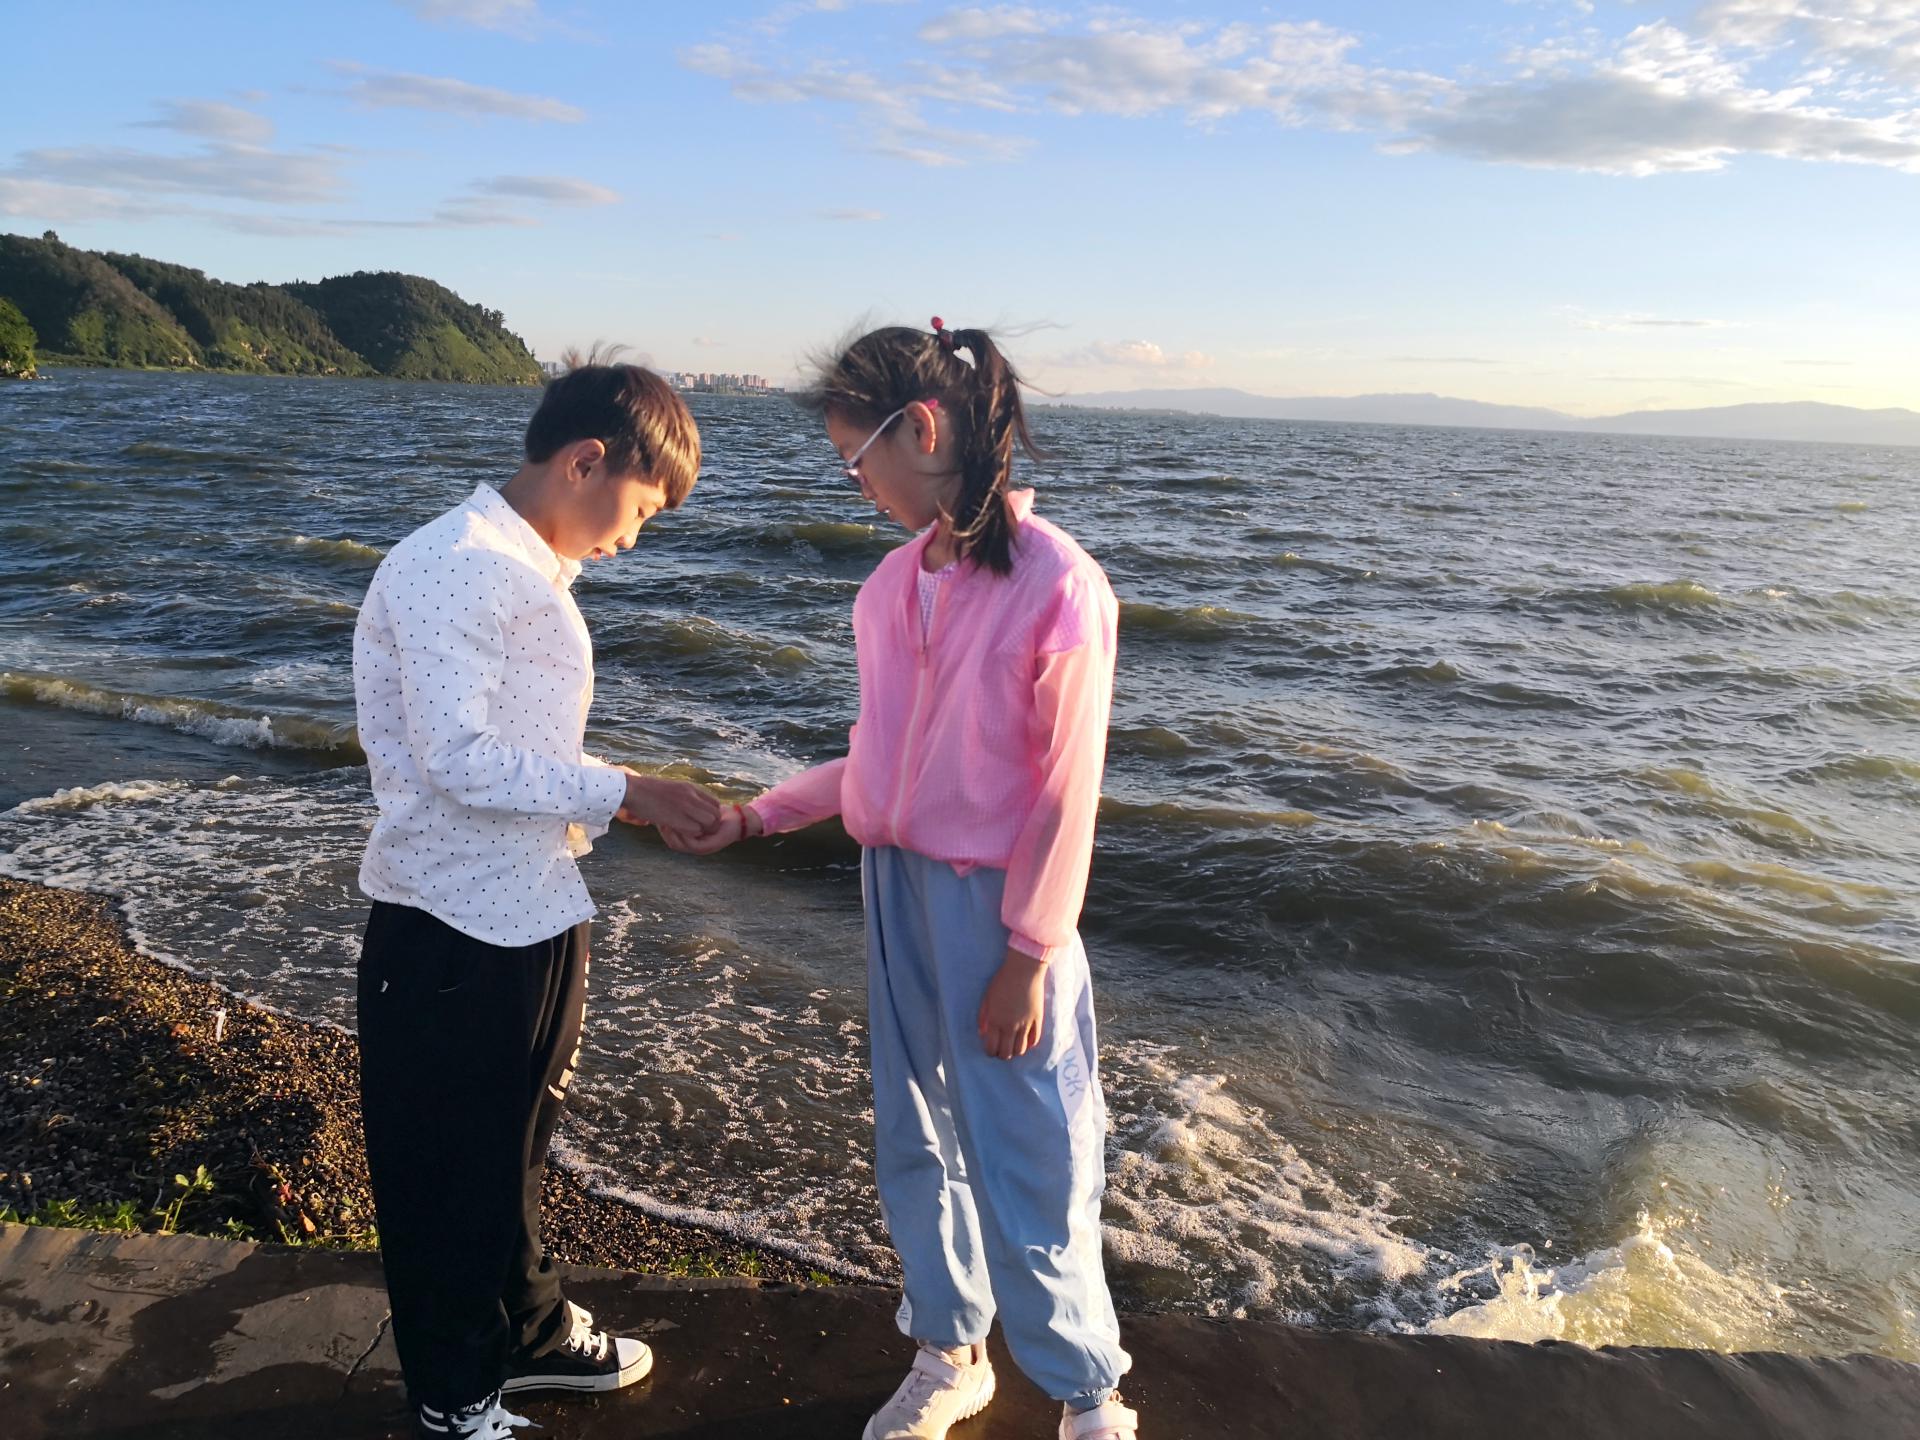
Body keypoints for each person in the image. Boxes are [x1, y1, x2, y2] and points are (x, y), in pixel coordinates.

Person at [670, 319, 1138, 1440]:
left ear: (922, 429)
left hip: (1001, 906)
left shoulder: (1060, 586)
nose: (858, 485)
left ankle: (1088, 1392)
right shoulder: (887, 587)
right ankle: (950, 1349)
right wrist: (757, 815)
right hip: (894, 888)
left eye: (857, 460)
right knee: (915, 1131)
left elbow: (1067, 791)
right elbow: (876, 761)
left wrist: (1029, 954)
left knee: (1034, 1140)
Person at [352, 357, 723, 1440]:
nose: (633, 540)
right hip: (449, 924)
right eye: (640, 511)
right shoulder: (457, 564)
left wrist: (614, 802)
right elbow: (458, 758)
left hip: (529, 905)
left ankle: (525, 1331)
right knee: (446, 1173)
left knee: (511, 1155)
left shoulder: (521, 567)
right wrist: (628, 789)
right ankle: (454, 1397)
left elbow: (512, 747)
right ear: (585, 461)